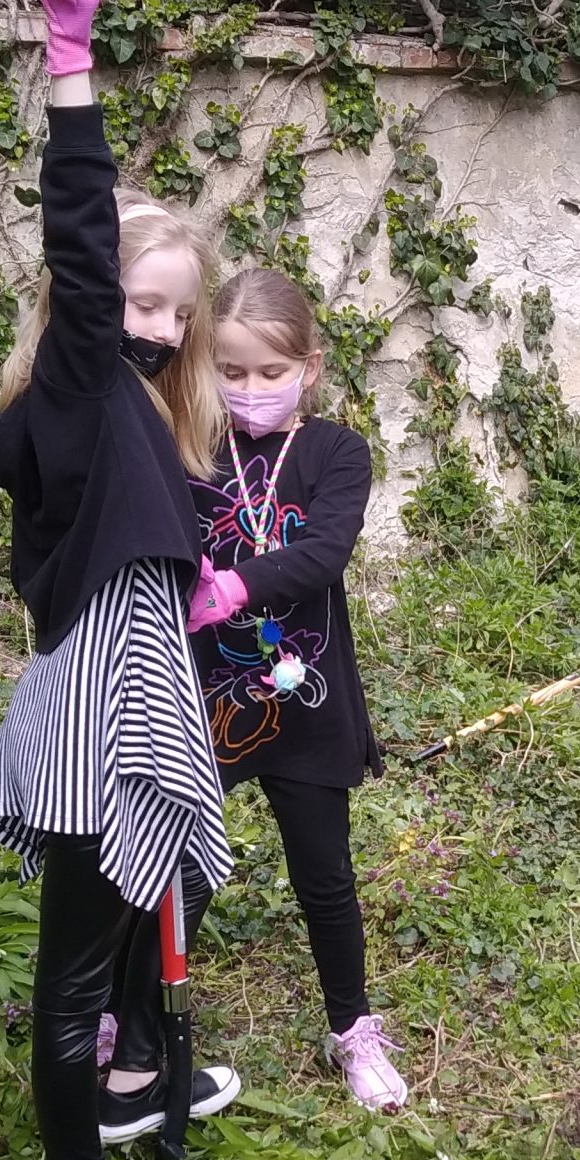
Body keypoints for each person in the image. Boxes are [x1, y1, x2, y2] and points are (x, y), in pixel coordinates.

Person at [0, 0, 240, 1160]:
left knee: (99, 958)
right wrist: (68, 55)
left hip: (121, 682)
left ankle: (128, 1104)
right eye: (143, 303)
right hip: (101, 708)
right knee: (70, 979)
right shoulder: (79, 385)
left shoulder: (124, 406)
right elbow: (79, 239)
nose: (164, 329)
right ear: (85, 311)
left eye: (181, 310)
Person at [178, 267, 402, 1113]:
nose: (249, 388)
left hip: (306, 704)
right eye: (230, 371)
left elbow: (325, 551)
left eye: (270, 371)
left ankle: (353, 1029)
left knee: (325, 877)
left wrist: (236, 586)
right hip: (206, 697)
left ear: (308, 368)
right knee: (178, 865)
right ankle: (133, 1016)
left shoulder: (335, 452)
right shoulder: (189, 444)